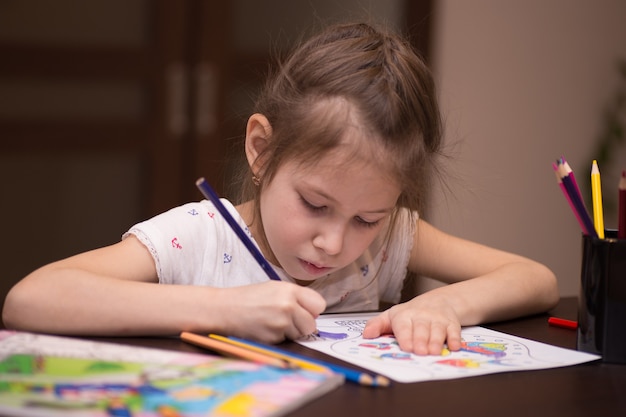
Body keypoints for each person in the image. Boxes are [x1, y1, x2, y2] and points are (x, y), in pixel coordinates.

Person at [2, 22, 559, 356]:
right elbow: (32, 298)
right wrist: (224, 309)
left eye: (367, 218)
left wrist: (443, 304)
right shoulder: (196, 237)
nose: (335, 244)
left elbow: (536, 280)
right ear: (262, 151)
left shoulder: (391, 240)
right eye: (315, 205)